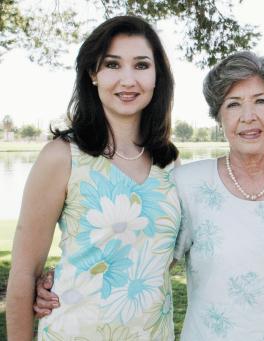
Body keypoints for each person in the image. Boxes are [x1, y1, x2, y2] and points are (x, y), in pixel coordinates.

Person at [35, 51, 264, 340]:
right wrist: (62, 278)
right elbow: (140, 253)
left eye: (261, 101)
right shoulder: (187, 184)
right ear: (219, 117)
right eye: (233, 104)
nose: (248, 117)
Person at [6, 16, 180, 340]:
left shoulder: (171, 165)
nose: (128, 79)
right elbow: (23, 275)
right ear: (93, 74)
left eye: (141, 65)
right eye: (113, 64)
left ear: (158, 76)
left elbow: (158, 257)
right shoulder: (62, 157)